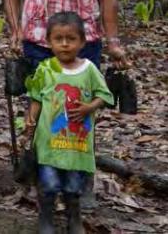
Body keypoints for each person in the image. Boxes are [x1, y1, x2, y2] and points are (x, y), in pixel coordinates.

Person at [4, 0, 129, 209]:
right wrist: (16, 30)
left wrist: (113, 40)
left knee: (79, 114)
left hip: (84, 43)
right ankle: (43, 178)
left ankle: (80, 181)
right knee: (42, 113)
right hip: (37, 43)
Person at [25, 12, 113, 234]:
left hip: (77, 143)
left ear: (82, 42)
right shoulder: (45, 68)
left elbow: (104, 95)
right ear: (49, 42)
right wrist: (30, 117)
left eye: (71, 39)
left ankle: (74, 218)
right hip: (49, 142)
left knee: (74, 185)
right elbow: (37, 97)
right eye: (58, 39)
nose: (65, 44)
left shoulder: (89, 69)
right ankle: (46, 219)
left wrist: (89, 108)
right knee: (49, 183)